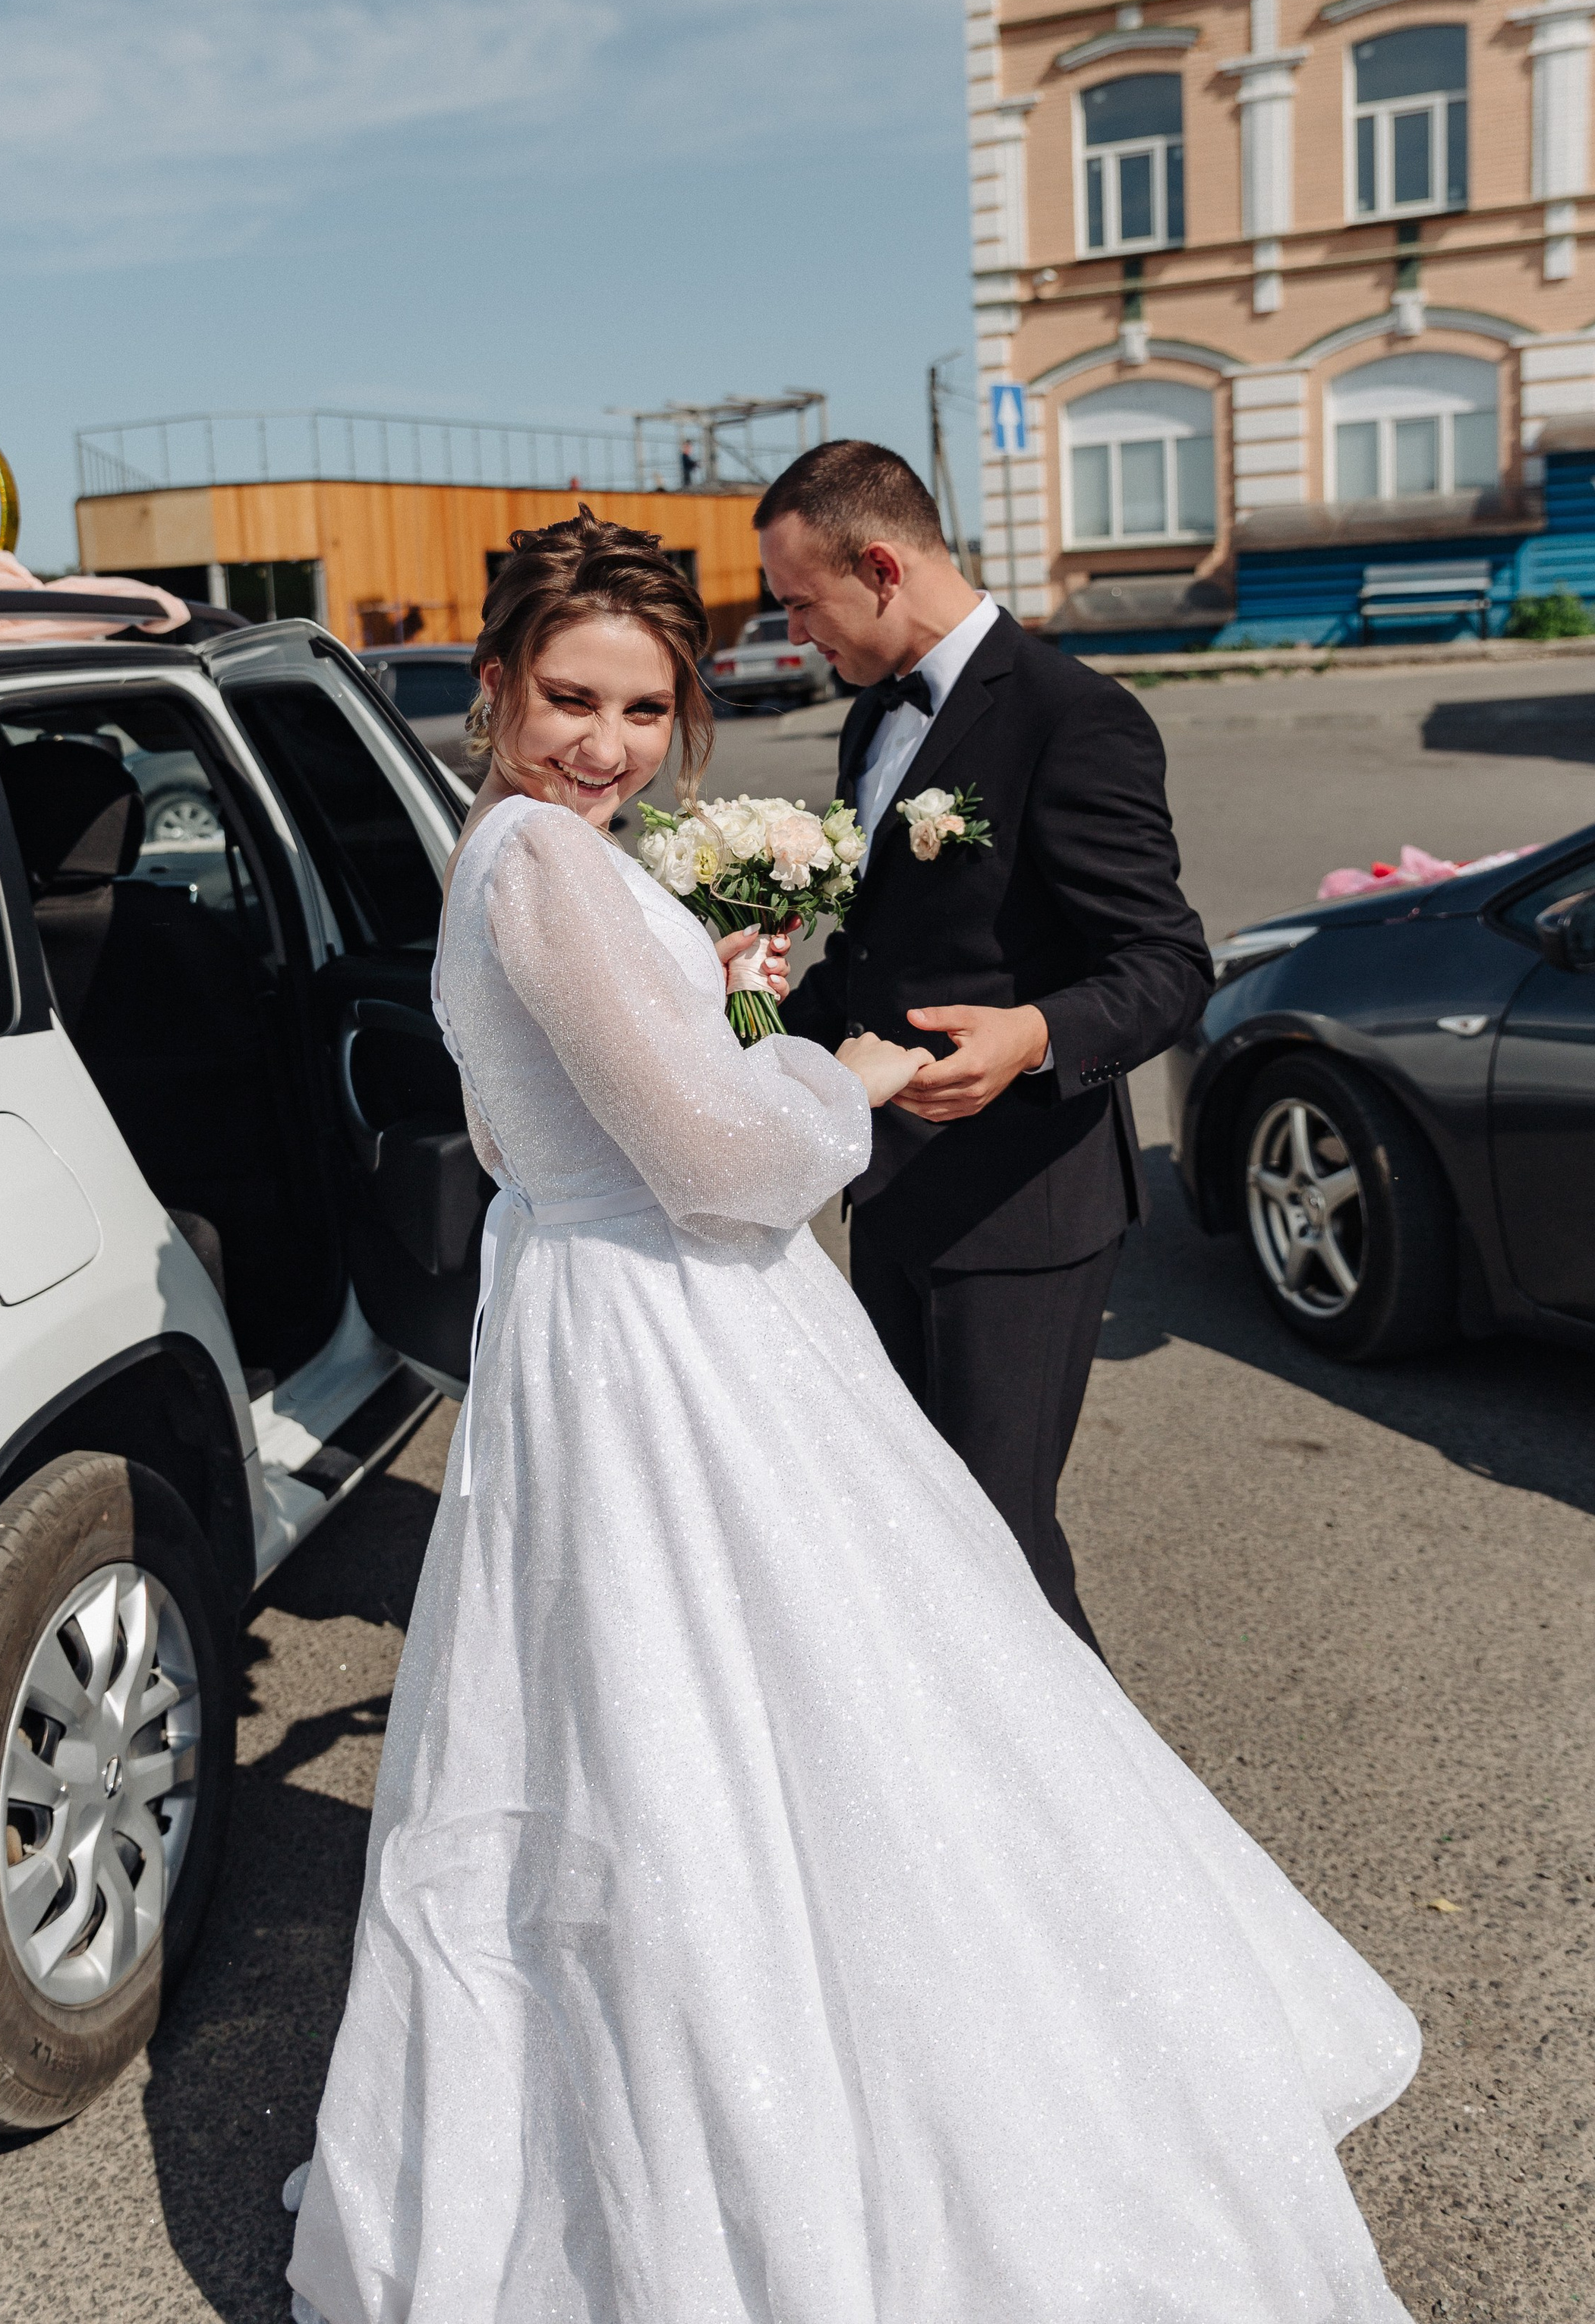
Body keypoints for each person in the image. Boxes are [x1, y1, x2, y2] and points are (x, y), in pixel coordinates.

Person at [284, 505, 1417, 2324]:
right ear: (492, 686)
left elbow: (549, 1122)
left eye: (646, 711)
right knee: (773, 1708)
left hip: (606, 1303)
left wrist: (717, 1011)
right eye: (571, 698)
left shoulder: (521, 850)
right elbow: (725, 1166)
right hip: (663, 1324)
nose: (607, 742)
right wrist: (850, 1069)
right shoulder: (546, 865)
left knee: (673, 1715)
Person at [760, 439, 1211, 1652]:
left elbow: (1168, 966)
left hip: (1025, 1211)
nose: (796, 631)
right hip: (888, 1197)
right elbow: (869, 965)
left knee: (999, 1542)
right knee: (912, 1528)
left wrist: (1033, 1034)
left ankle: (1106, 1829)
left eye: (802, 602)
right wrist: (742, 1030)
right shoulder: (868, 725)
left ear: (881, 564)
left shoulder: (1077, 719)